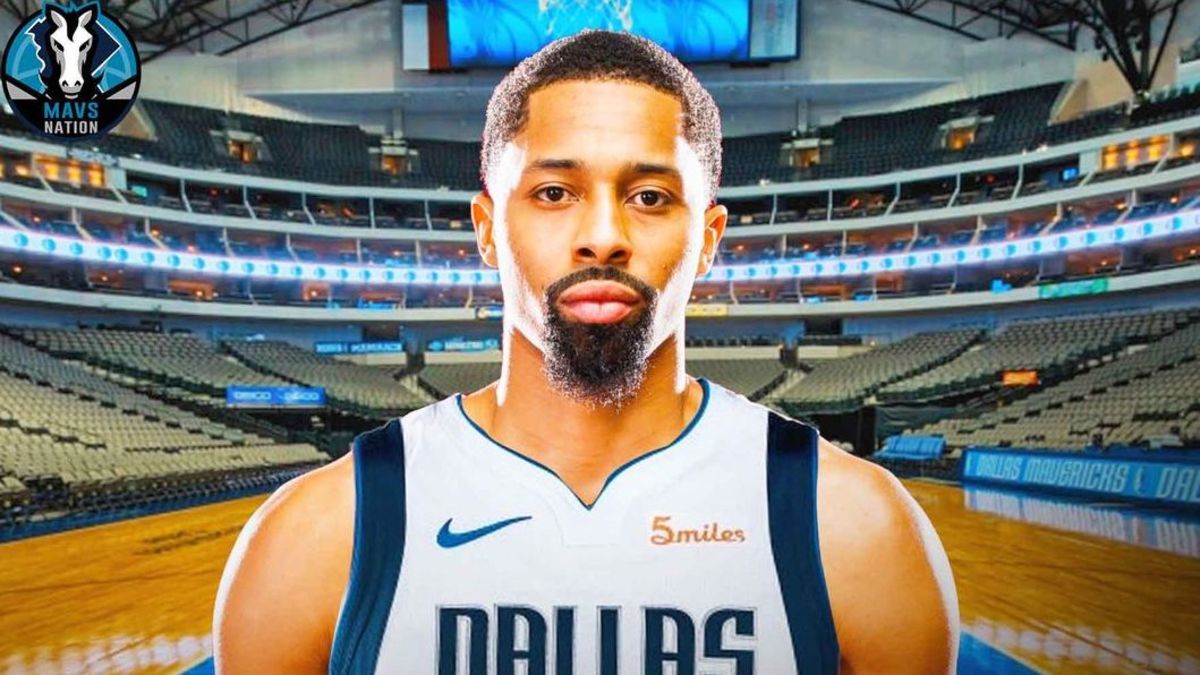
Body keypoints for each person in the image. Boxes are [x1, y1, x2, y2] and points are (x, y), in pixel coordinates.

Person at [214, 30, 958, 674]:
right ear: (486, 229)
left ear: (708, 239)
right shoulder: (319, 537)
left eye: (649, 197)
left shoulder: (854, 529)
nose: (602, 236)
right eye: (553, 192)